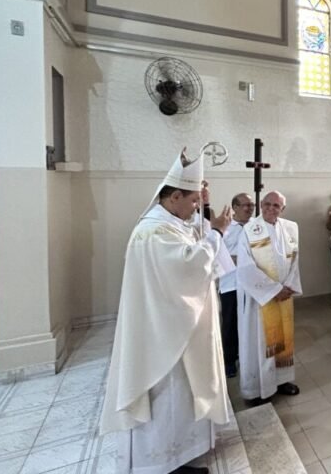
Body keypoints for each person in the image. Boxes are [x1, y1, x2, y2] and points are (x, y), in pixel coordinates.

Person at [100, 148, 232, 473]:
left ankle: (181, 455)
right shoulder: (154, 232)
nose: (196, 207)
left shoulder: (170, 223)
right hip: (165, 335)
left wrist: (205, 211)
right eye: (193, 201)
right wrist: (217, 232)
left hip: (175, 326)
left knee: (182, 398)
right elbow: (189, 265)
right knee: (169, 398)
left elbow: (192, 239)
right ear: (174, 196)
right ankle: (164, 464)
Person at [234, 191, 302, 403]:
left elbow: (294, 258)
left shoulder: (290, 227)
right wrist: (273, 290)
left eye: (276, 206)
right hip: (259, 299)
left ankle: (282, 380)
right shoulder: (249, 230)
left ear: (283, 209)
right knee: (259, 342)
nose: (270, 209)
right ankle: (256, 390)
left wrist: (288, 286)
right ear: (261, 205)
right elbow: (245, 268)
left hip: (283, 295)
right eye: (267, 204)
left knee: (282, 338)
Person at [220, 192, 255, 378]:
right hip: (231, 283)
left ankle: (248, 355)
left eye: (252, 205)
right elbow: (219, 255)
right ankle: (229, 360)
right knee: (231, 323)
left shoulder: (257, 226)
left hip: (253, 283)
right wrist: (244, 260)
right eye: (245, 205)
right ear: (234, 207)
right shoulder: (224, 228)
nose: (250, 208)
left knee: (251, 322)